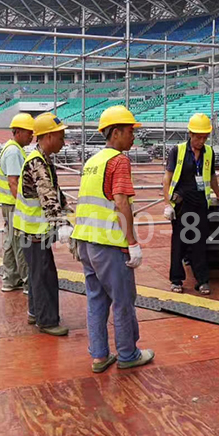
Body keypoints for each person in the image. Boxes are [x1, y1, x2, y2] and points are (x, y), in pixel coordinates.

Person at [71, 105, 155, 373]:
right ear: (116, 132)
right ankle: (128, 354)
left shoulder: (92, 162)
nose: (134, 137)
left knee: (96, 299)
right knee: (122, 300)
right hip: (109, 243)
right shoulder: (119, 161)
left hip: (85, 241)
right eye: (130, 131)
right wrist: (131, 242)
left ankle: (99, 356)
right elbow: (120, 203)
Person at [13, 113, 72, 336]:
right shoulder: (37, 162)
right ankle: (46, 321)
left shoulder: (42, 158)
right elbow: (47, 195)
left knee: (37, 272)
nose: (63, 142)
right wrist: (62, 223)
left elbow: (54, 190)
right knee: (44, 275)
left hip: (30, 230)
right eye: (60, 137)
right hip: (33, 231)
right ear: (47, 137)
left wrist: (66, 206)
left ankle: (35, 312)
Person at [162, 113, 219, 295]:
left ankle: (202, 280)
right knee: (179, 241)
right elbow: (167, 178)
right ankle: (176, 280)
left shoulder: (209, 152)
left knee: (199, 242)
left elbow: (212, 176)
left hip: (201, 203)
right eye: (198, 137)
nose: (201, 141)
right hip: (181, 203)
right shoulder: (177, 151)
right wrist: (168, 204)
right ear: (190, 134)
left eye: (204, 137)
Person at [0, 113, 34, 292]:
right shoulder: (13, 151)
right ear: (17, 131)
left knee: (11, 242)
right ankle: (27, 282)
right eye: (28, 132)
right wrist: (22, 206)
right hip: (13, 204)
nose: (31, 136)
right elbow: (14, 182)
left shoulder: (13, 148)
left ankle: (10, 279)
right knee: (20, 243)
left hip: (8, 203)